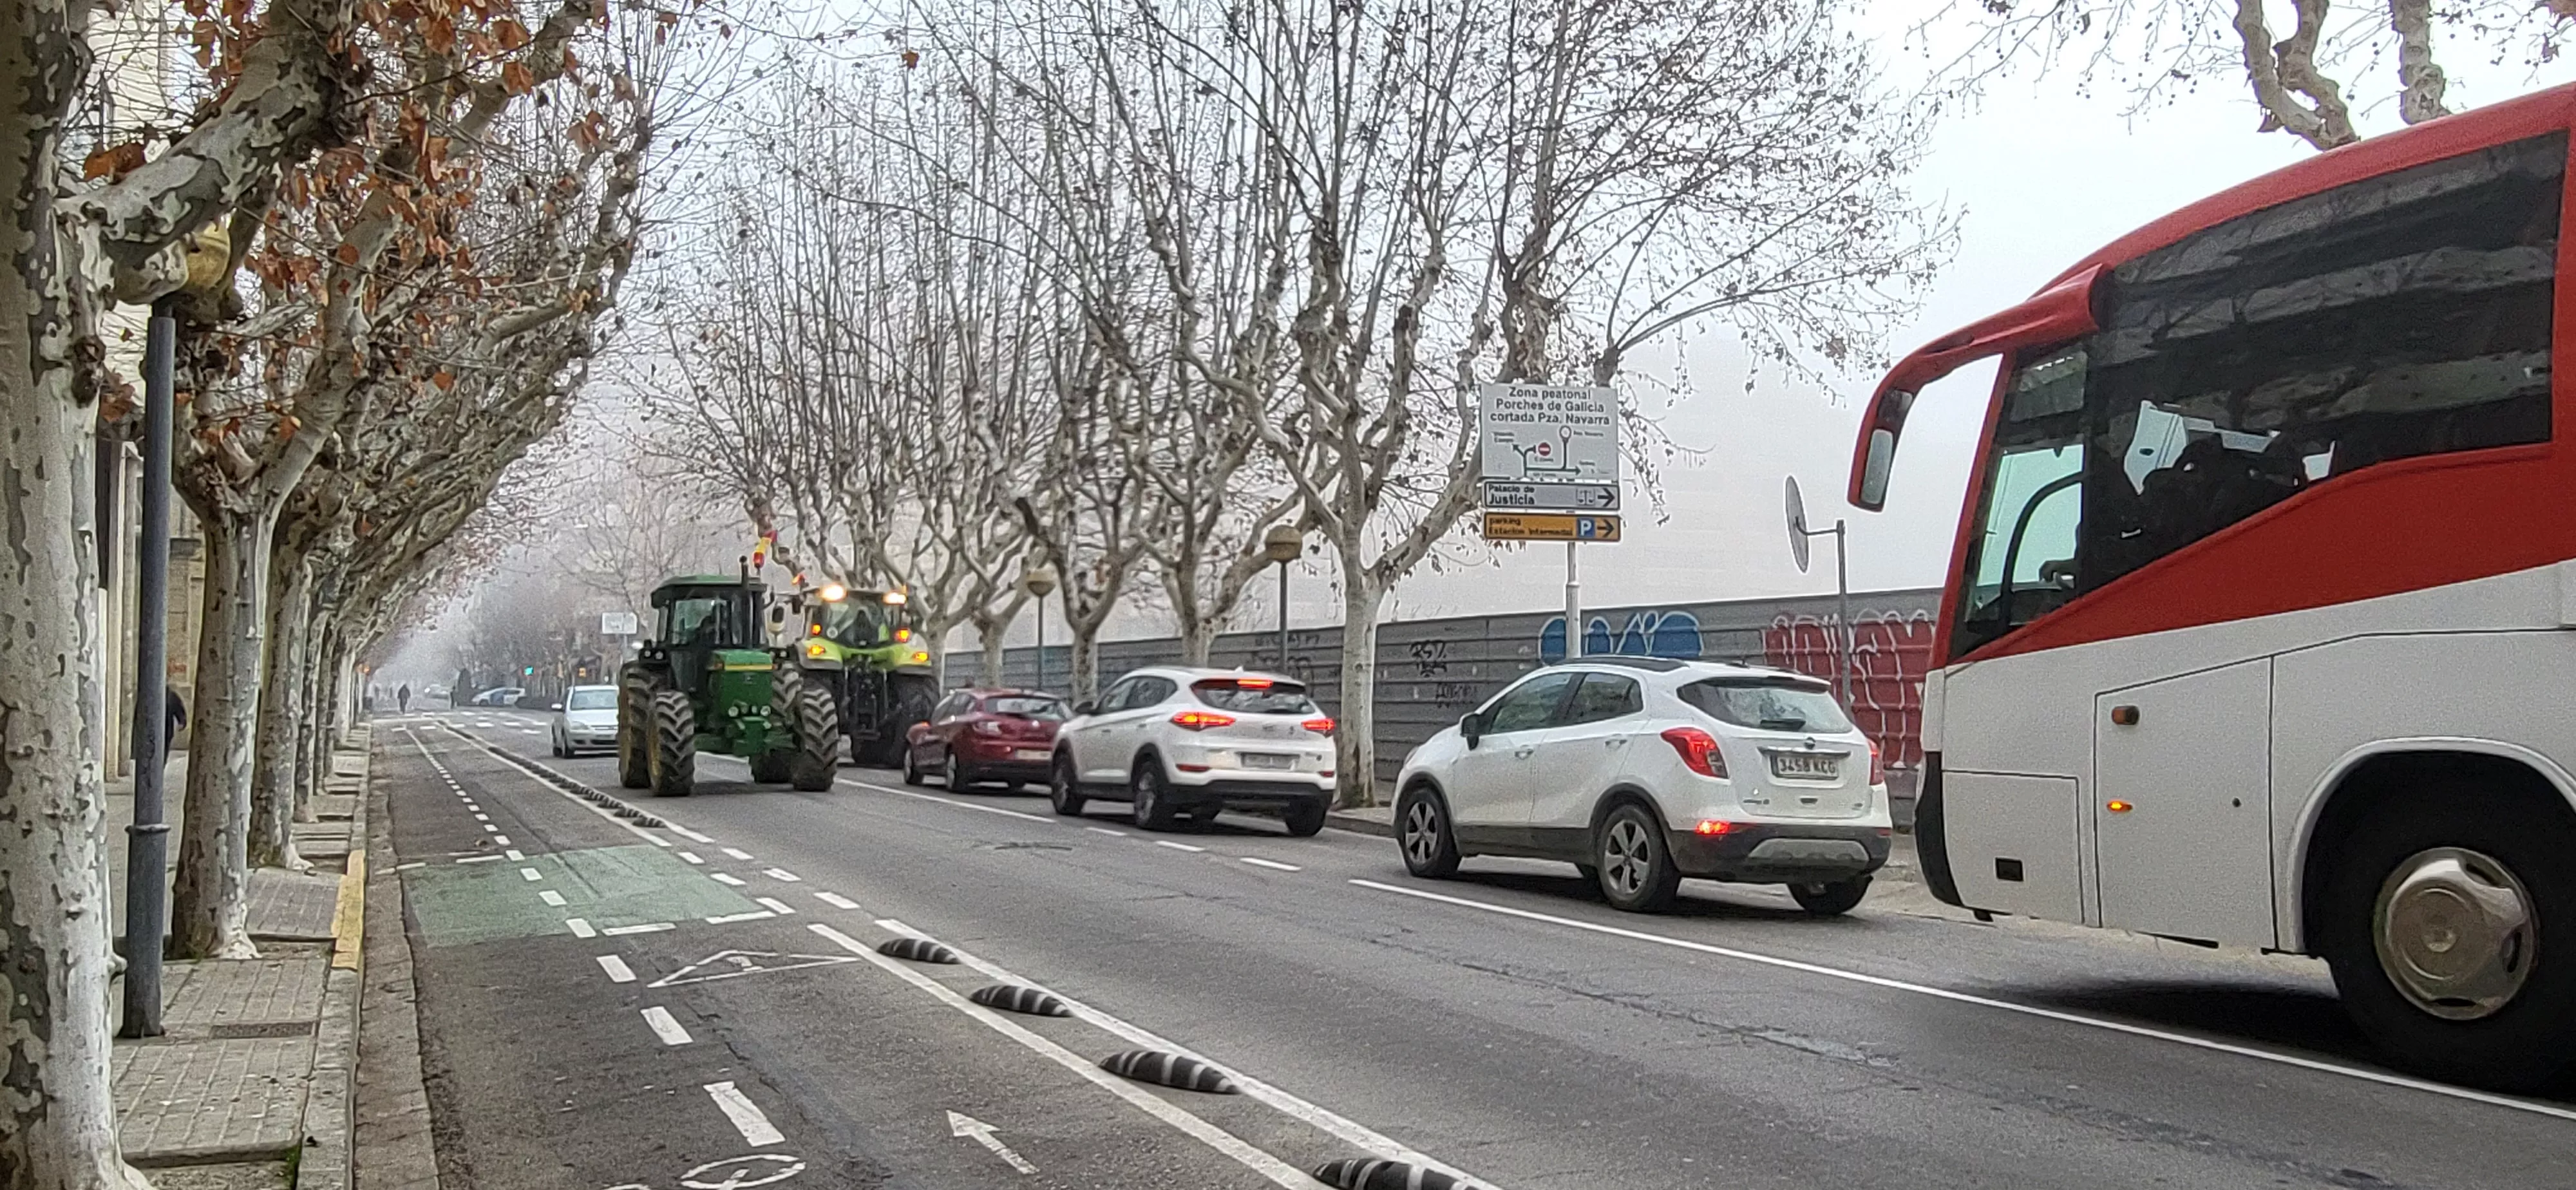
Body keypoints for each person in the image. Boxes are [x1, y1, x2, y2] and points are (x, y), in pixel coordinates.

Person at [162, 687, 187, 766]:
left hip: (167, 729)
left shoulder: (170, 695)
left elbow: (179, 709)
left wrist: (182, 721)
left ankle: (160, 768)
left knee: (164, 751)